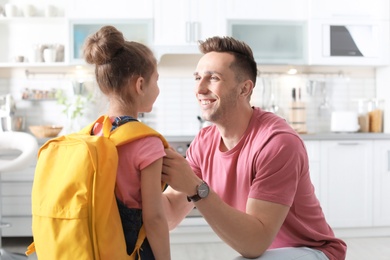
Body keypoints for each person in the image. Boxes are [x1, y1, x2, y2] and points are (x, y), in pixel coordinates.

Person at [161, 36, 347, 260]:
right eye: (198, 77)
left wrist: (196, 188)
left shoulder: (277, 142)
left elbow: (254, 244)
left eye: (213, 78)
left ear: (244, 89)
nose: (199, 88)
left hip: (312, 251)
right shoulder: (204, 141)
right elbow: (170, 213)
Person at [83, 25, 170, 260]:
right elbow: (154, 219)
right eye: (156, 81)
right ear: (140, 85)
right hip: (132, 249)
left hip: (94, 246)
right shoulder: (147, 142)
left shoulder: (92, 133)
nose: (158, 89)